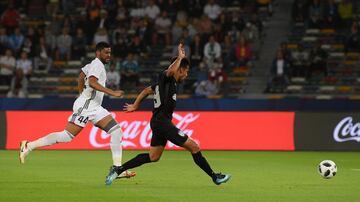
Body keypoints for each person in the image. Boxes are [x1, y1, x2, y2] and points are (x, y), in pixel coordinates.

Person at [105, 44, 231, 185]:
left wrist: (136, 105)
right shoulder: (166, 77)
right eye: (186, 71)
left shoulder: (164, 84)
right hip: (162, 123)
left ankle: (117, 170)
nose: (186, 74)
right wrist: (181, 57)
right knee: (194, 146)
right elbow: (170, 72)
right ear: (180, 69)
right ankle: (215, 177)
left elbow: (147, 90)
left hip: (159, 122)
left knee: (153, 156)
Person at [19, 42, 135, 179]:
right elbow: (92, 82)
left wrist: (81, 92)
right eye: (106, 52)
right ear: (98, 52)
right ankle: (29, 145)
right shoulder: (97, 64)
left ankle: (117, 169)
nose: (109, 55)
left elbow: (81, 76)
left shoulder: (92, 64)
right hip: (86, 106)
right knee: (66, 136)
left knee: (116, 131)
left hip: (94, 106)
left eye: (110, 52)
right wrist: (112, 92)